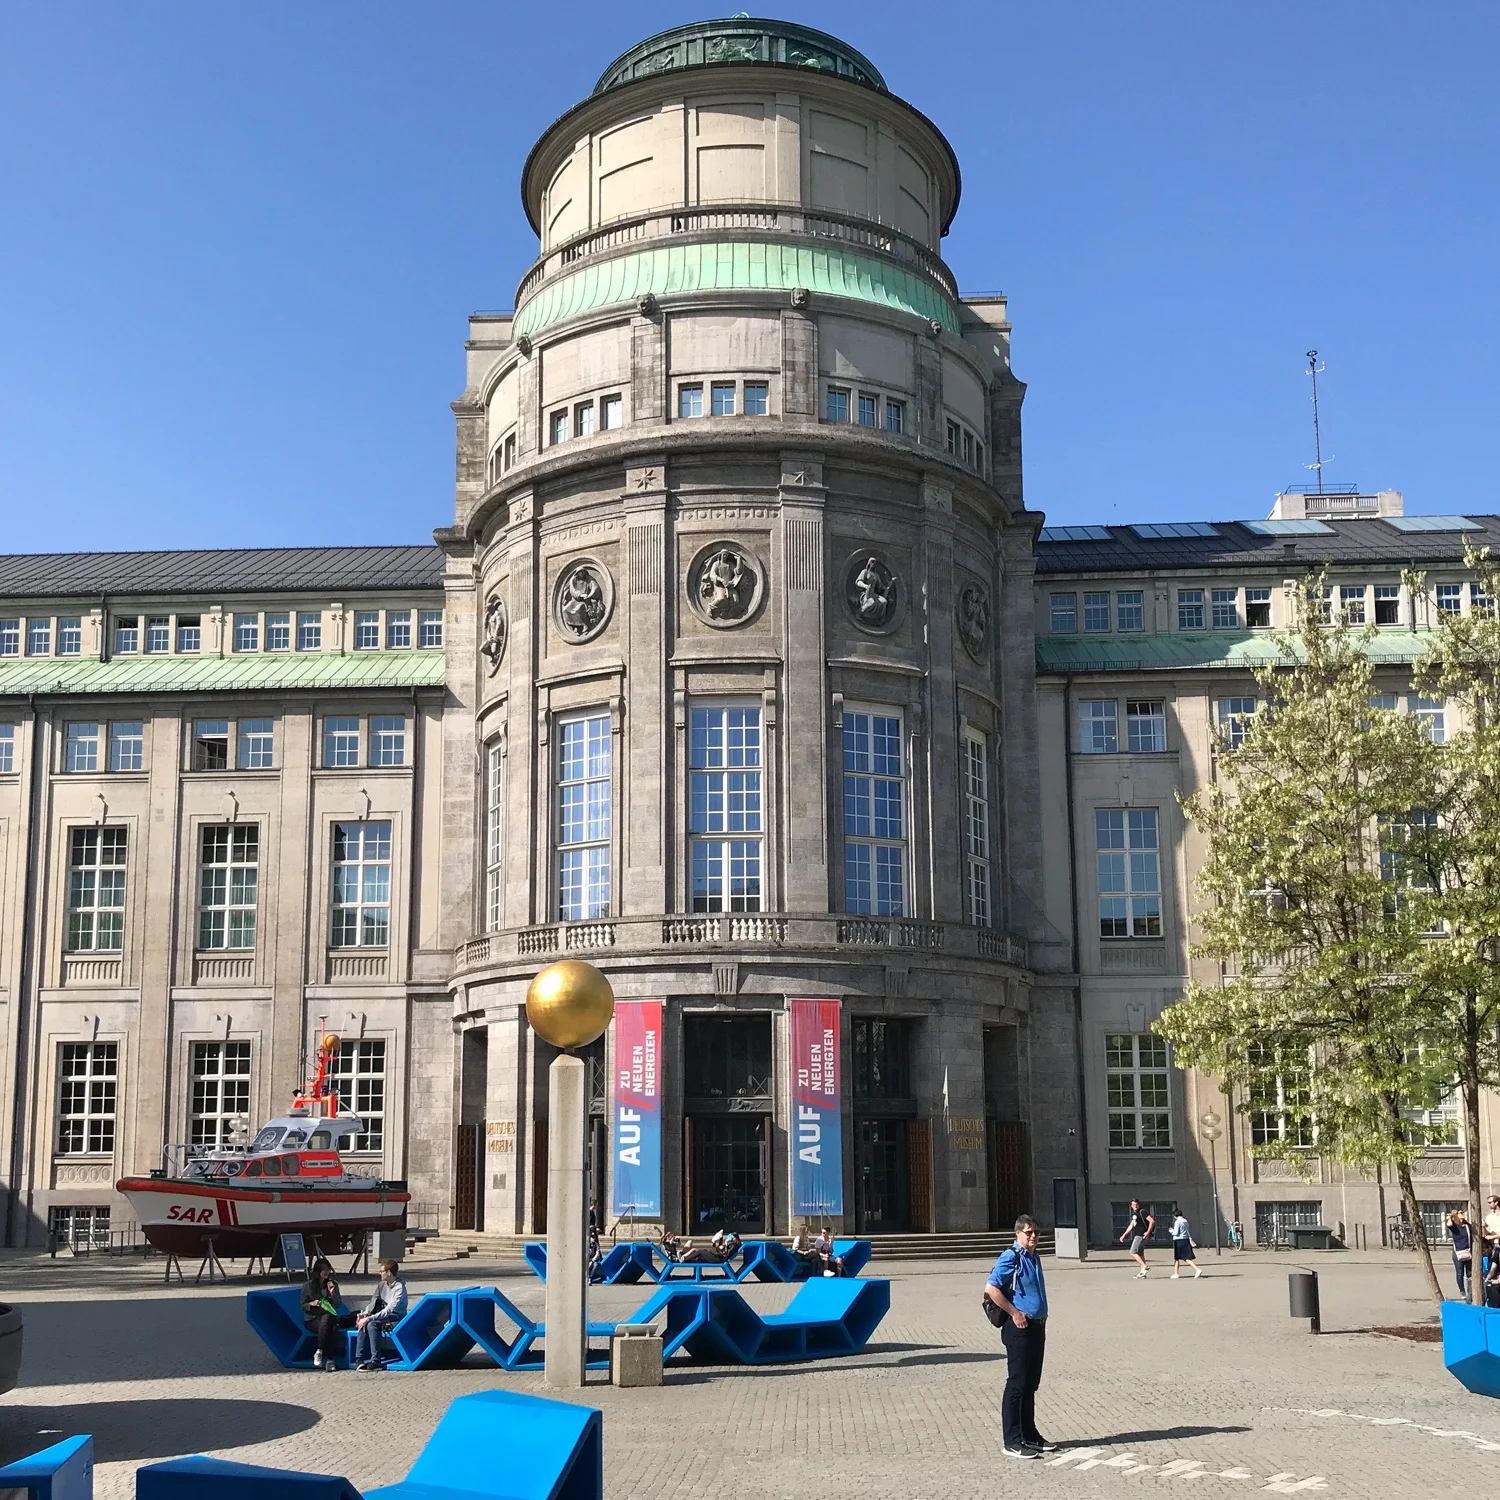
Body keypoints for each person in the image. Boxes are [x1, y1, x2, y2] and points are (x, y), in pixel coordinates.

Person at [984, 1215, 1056, 1460]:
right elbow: (992, 1288)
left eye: (1036, 1232)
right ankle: (1012, 1440)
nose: (1033, 1236)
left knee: (1031, 1383)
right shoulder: (1011, 1257)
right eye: (1028, 1232)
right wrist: (1014, 1312)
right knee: (1017, 1383)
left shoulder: (1034, 1257)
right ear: (1018, 1234)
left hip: (1037, 1325)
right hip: (1019, 1328)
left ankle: (1030, 1434)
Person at [354, 1258, 409, 1371]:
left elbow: (389, 1310)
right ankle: (359, 1359)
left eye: (381, 1271)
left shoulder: (399, 1288)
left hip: (396, 1316)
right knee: (363, 1321)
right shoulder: (381, 1285)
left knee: (371, 1324)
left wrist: (369, 1319)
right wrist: (365, 1314)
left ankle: (376, 1360)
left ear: (389, 1273)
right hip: (383, 1316)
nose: (379, 1273)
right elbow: (373, 1302)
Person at [300, 1257, 347, 1371]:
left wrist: (332, 1293)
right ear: (318, 1271)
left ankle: (319, 1350)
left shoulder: (332, 1284)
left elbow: (338, 1304)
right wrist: (312, 1303)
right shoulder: (308, 1286)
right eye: (324, 1270)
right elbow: (302, 1306)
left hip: (329, 1316)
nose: (326, 1272)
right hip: (312, 1319)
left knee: (328, 1319)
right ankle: (330, 1360)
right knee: (332, 1328)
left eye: (328, 1269)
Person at [1119, 1199, 1155, 1278]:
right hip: (1139, 1235)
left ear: (1139, 1205)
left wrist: (1148, 1232)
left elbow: (1152, 1221)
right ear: (1131, 1206)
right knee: (1140, 1253)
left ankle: (1144, 1266)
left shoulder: (1143, 1212)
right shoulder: (1135, 1214)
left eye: (1136, 1204)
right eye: (1133, 1205)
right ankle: (1143, 1272)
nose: (1135, 1206)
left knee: (1133, 1251)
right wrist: (1124, 1235)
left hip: (1141, 1235)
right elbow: (1131, 1225)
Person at [1168, 1211, 1202, 1279]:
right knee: (1177, 1257)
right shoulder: (1185, 1221)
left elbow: (1176, 1233)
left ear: (1175, 1216)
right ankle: (1176, 1273)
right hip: (1185, 1239)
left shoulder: (1177, 1222)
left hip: (1178, 1240)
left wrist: (1171, 1230)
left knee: (1183, 1257)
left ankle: (1197, 1269)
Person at [1450, 1208, 1474, 1299]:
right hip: (1458, 1253)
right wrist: (1452, 1216)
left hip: (1467, 1252)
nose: (1461, 1219)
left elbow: (1472, 1230)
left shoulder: (1467, 1226)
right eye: (1459, 1217)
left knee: (1469, 1273)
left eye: (1462, 1217)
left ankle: (1470, 1291)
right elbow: (1449, 1224)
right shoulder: (1454, 1227)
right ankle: (1462, 1291)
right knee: (1460, 1273)